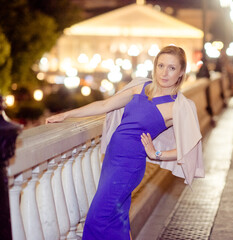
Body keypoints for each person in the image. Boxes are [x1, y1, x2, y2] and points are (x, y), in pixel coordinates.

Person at [46, 46, 205, 239]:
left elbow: (188, 148)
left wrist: (157, 154)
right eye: (161, 65)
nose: (164, 72)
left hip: (129, 165)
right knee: (116, 218)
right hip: (112, 159)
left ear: (181, 72)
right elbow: (105, 105)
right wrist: (67, 114)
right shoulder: (140, 87)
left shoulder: (178, 106)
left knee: (97, 218)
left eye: (171, 68)